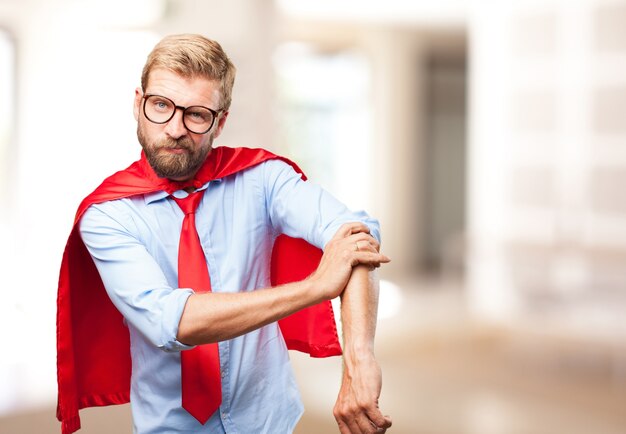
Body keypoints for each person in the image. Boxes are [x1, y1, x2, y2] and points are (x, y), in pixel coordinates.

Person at [56, 34, 392, 434]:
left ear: (220, 121)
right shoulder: (107, 215)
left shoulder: (263, 179)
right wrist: (316, 287)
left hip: (271, 423)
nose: (176, 128)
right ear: (138, 104)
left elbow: (356, 234)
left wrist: (359, 359)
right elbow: (172, 321)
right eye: (161, 106)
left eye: (196, 114)